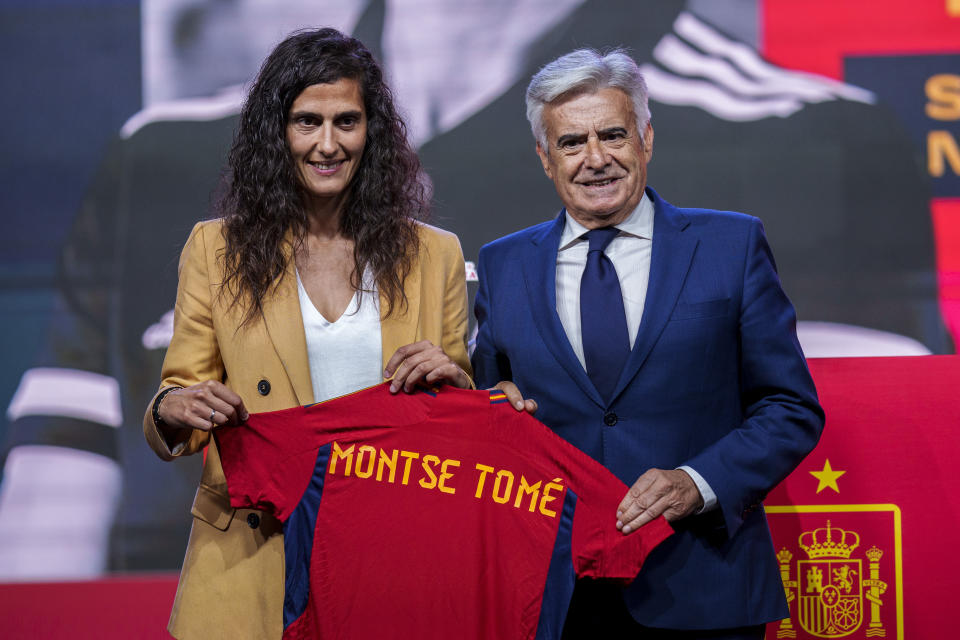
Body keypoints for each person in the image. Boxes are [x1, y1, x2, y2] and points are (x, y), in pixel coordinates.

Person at [472, 49, 825, 638]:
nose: (595, 159)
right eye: (571, 143)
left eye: (613, 134)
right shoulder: (502, 263)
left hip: (703, 588)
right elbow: (493, 409)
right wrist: (489, 407)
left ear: (646, 139)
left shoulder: (730, 245)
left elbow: (790, 408)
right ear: (544, 157)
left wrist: (697, 482)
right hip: (556, 596)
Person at [142, 28, 471, 639]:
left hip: (387, 558)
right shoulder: (216, 250)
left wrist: (456, 383)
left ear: (372, 132)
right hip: (250, 559)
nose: (328, 144)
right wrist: (178, 406)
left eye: (347, 121)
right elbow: (176, 398)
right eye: (306, 122)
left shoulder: (436, 256)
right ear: (277, 132)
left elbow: (455, 414)